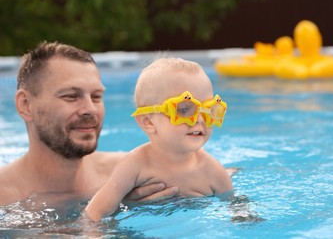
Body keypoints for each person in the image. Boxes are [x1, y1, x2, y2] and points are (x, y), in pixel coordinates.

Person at [0, 42, 179, 207]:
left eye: (96, 97)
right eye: (71, 96)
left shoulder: (130, 174)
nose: (90, 109)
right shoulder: (5, 197)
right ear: (25, 105)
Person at [85, 57, 234, 222]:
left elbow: (235, 205)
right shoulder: (135, 165)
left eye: (209, 110)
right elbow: (95, 212)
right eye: (185, 109)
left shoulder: (211, 169)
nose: (200, 120)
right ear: (148, 122)